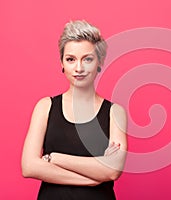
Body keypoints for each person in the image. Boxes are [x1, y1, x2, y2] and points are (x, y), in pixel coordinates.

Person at [21, 20, 127, 200]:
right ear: (62, 63)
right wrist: (91, 179)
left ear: (99, 62)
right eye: (71, 59)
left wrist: (53, 158)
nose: (79, 68)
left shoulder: (114, 112)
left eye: (87, 59)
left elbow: (112, 170)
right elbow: (29, 166)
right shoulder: (45, 107)